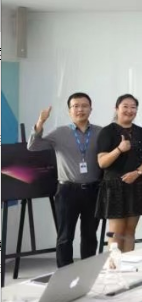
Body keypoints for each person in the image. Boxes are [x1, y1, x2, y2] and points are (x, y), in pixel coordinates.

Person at [28, 93, 102, 267]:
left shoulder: (100, 132)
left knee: (90, 235)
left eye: (84, 106)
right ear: (69, 111)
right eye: (75, 106)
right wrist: (40, 122)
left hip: (94, 190)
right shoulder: (60, 132)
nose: (80, 109)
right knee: (65, 236)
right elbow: (33, 146)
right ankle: (64, 273)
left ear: (91, 109)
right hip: (67, 192)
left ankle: (88, 270)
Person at [96, 94, 142, 252]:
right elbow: (102, 162)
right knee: (116, 233)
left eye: (133, 107)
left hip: (136, 185)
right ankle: (114, 265)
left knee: (130, 232)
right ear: (116, 109)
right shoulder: (107, 131)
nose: (129, 110)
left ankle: (128, 264)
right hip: (115, 187)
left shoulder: (141, 132)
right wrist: (119, 149)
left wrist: (138, 172)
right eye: (125, 106)